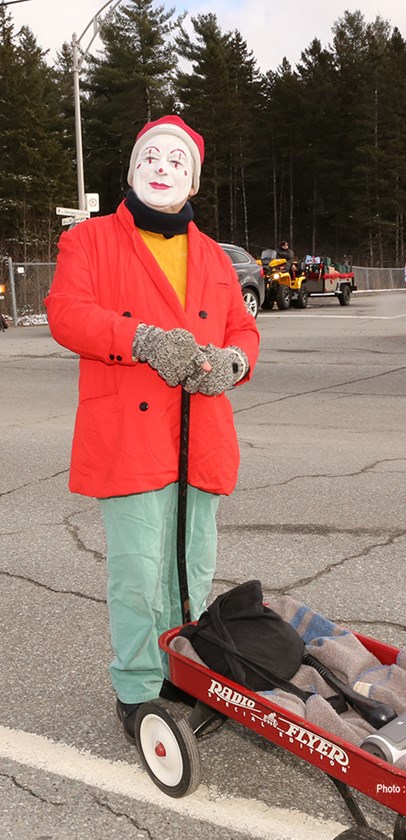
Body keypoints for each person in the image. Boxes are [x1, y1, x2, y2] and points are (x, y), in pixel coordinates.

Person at [45, 115, 260, 743]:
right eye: (151, 157)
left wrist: (236, 362)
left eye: (176, 161)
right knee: (139, 570)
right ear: (133, 168)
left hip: (200, 427)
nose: (162, 167)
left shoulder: (214, 257)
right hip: (129, 432)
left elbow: (240, 328)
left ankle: (177, 670)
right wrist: (139, 339)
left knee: (191, 565)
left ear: (192, 180)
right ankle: (137, 687)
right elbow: (66, 314)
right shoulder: (88, 241)